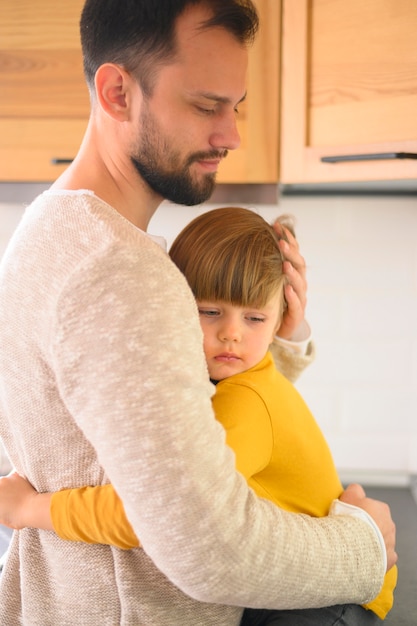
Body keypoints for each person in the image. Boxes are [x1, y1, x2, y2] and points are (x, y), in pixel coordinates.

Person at [0, 1, 396, 625]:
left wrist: (277, 348)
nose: (231, 134)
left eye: (236, 107)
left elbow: (161, 438)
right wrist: (366, 543)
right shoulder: (120, 272)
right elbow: (211, 547)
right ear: (117, 92)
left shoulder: (50, 231)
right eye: (206, 106)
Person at [0, 207, 397, 625]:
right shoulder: (240, 383)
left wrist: (31, 510)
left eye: (254, 318)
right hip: (299, 588)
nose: (231, 333)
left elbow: (156, 516)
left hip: (328, 605)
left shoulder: (243, 403)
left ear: (280, 316)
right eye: (210, 311)